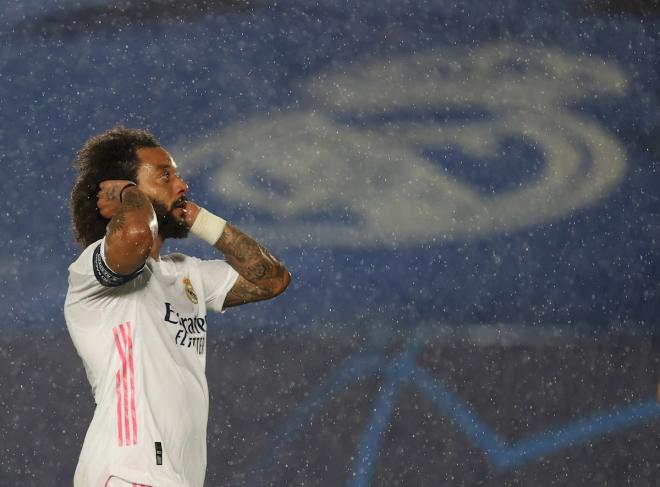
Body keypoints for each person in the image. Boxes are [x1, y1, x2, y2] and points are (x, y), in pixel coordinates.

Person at [65, 126, 291, 487]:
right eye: (165, 176)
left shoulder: (188, 274)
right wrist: (127, 193)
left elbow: (272, 280)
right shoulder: (94, 270)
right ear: (126, 192)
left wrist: (201, 220)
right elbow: (137, 236)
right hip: (128, 469)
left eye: (178, 175)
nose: (182, 185)